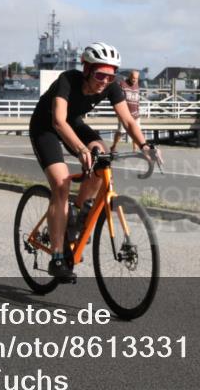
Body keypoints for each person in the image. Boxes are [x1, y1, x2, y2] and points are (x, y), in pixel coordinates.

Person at [29, 42, 157, 283]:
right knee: (61, 183)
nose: (105, 81)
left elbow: (129, 121)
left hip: (73, 123)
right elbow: (58, 121)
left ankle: (76, 213)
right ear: (87, 70)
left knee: (102, 155)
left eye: (110, 76)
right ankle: (58, 256)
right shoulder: (68, 80)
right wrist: (80, 149)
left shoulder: (111, 87)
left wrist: (145, 146)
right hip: (46, 127)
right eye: (100, 75)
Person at [111, 69, 142, 153]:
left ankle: (135, 149)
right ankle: (113, 146)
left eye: (136, 78)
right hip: (124, 113)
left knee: (136, 131)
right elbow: (117, 99)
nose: (134, 80)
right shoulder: (122, 84)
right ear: (129, 77)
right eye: (133, 78)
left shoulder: (137, 85)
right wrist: (118, 113)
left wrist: (138, 110)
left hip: (135, 114)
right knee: (121, 132)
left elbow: (137, 100)